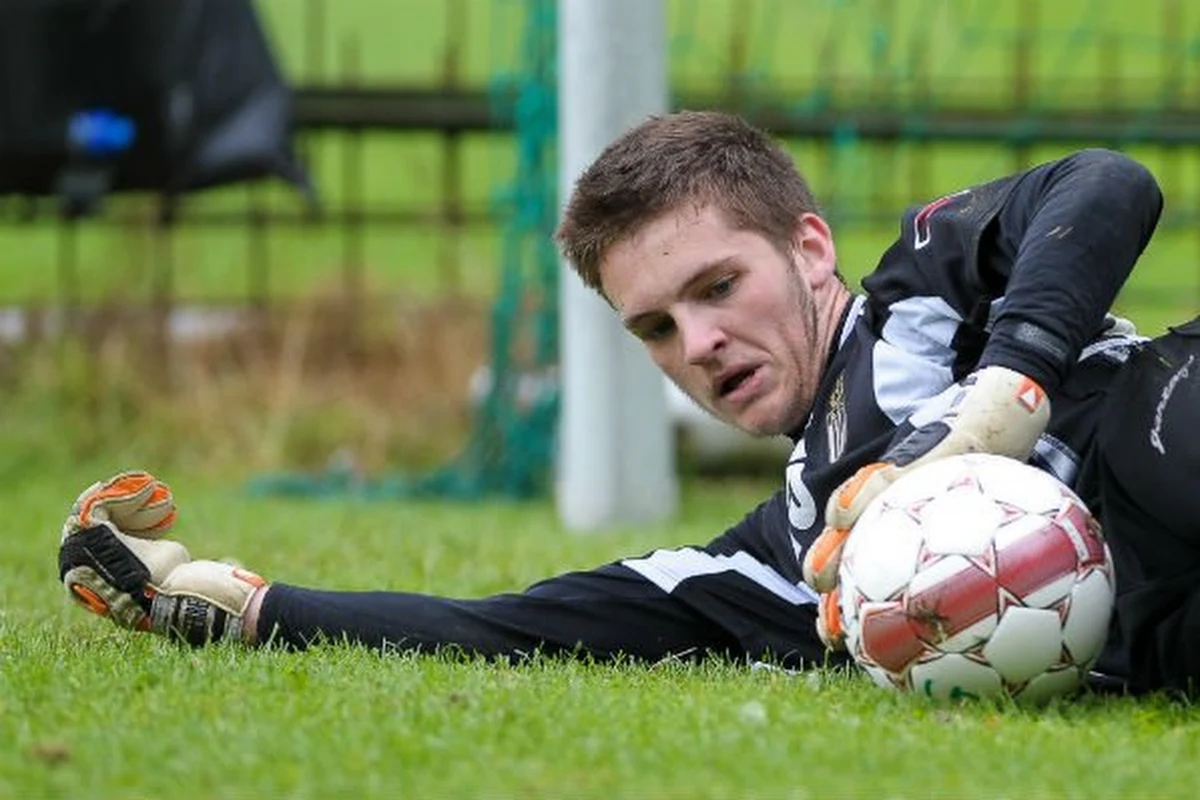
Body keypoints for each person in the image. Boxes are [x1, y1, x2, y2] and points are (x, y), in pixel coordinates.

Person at [58, 110, 1200, 695]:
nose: (697, 344)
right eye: (654, 326)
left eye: (717, 288)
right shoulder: (791, 552)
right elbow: (521, 625)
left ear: (808, 249)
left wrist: (994, 411)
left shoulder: (918, 292)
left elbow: (1103, 184)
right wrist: (257, 607)